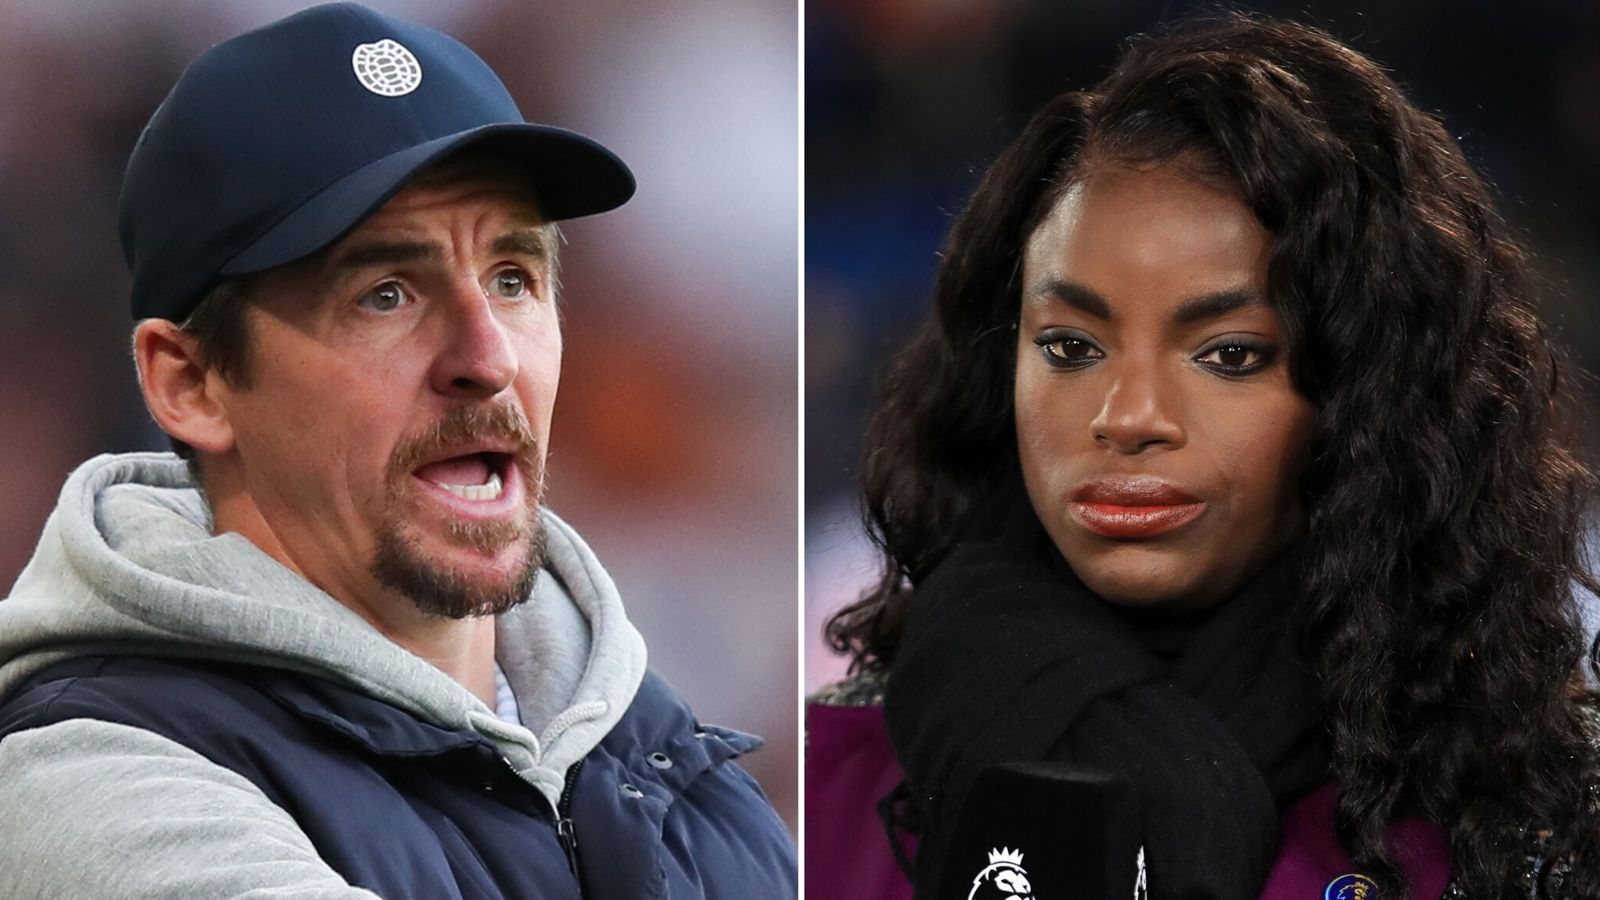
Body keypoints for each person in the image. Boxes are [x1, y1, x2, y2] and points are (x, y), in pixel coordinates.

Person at [0, 4, 796, 898]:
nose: (488, 357)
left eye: (513, 278)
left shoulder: (681, 772)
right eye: (386, 293)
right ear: (190, 383)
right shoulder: (94, 784)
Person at [809, 13, 1599, 900]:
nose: (1128, 417)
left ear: (1370, 394)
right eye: (1071, 347)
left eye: (1229, 354)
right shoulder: (816, 790)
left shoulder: (1533, 816)